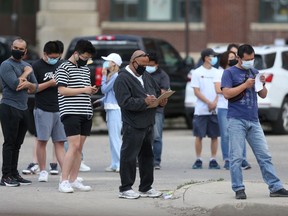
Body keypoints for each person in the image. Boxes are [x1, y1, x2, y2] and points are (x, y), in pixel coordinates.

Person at [221, 44, 288, 199]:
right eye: (247, 59)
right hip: (236, 119)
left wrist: (262, 84)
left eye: (252, 59)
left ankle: (275, 187)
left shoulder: (254, 71)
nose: (250, 62)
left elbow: (263, 95)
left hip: (254, 120)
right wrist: (245, 85)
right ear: (238, 58)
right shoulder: (229, 73)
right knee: (236, 157)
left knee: (264, 155)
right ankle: (238, 188)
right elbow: (226, 94)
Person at [114, 50, 166, 199]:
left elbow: (156, 91)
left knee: (147, 157)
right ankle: (125, 188)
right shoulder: (122, 78)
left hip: (148, 121)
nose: (144, 68)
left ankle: (146, 187)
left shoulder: (146, 75)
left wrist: (161, 100)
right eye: (142, 65)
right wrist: (143, 101)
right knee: (129, 156)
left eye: (146, 65)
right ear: (133, 62)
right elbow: (124, 102)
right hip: (133, 123)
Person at [55, 39, 97, 193]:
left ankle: (74, 180)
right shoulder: (63, 67)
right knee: (72, 146)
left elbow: (83, 88)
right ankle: (63, 181)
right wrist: (84, 89)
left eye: (88, 59)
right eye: (84, 58)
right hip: (71, 111)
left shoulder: (85, 69)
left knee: (79, 148)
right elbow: (62, 90)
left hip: (86, 112)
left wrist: (90, 90)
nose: (86, 61)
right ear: (76, 53)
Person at [0, 38, 38, 186]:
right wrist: (26, 74)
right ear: (11, 48)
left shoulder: (27, 65)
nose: (17, 50)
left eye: (20, 48)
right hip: (9, 106)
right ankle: (5, 176)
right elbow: (16, 85)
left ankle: (14, 173)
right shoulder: (6, 65)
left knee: (18, 143)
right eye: (15, 47)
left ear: (25, 51)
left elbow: (35, 87)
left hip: (23, 108)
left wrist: (28, 82)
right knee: (9, 142)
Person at [32, 41, 66, 182]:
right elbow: (33, 88)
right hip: (43, 108)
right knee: (42, 141)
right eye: (51, 56)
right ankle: (43, 171)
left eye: (56, 57)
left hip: (60, 108)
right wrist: (50, 83)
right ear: (45, 54)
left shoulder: (62, 65)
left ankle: (66, 173)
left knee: (59, 142)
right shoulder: (36, 66)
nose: (54, 59)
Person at [214, 50, 251, 170]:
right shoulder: (219, 72)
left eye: (234, 57)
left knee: (241, 133)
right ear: (225, 59)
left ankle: (243, 159)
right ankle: (227, 159)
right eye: (230, 57)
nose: (233, 59)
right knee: (225, 134)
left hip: (237, 107)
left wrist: (234, 88)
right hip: (223, 107)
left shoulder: (239, 72)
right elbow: (219, 90)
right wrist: (234, 88)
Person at [191, 48, 220, 169]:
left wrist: (214, 103)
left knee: (214, 136)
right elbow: (196, 91)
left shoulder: (218, 72)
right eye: (212, 56)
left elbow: (220, 90)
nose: (214, 58)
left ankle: (213, 159)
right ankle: (198, 159)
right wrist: (208, 102)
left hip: (215, 109)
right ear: (206, 57)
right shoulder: (197, 72)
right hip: (201, 110)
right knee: (199, 135)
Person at [146, 53, 170, 170]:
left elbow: (164, 91)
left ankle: (156, 161)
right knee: (143, 136)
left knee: (156, 136)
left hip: (157, 109)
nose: (148, 66)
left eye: (151, 64)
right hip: (144, 108)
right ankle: (142, 159)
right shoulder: (142, 73)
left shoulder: (162, 75)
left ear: (156, 64)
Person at [100, 53, 123, 173]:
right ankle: (115, 163)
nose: (106, 63)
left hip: (115, 109)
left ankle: (121, 163)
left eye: (108, 61)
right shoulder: (113, 76)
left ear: (114, 63)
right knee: (112, 137)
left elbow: (104, 89)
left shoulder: (115, 77)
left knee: (115, 138)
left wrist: (103, 76)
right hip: (111, 108)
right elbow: (108, 94)